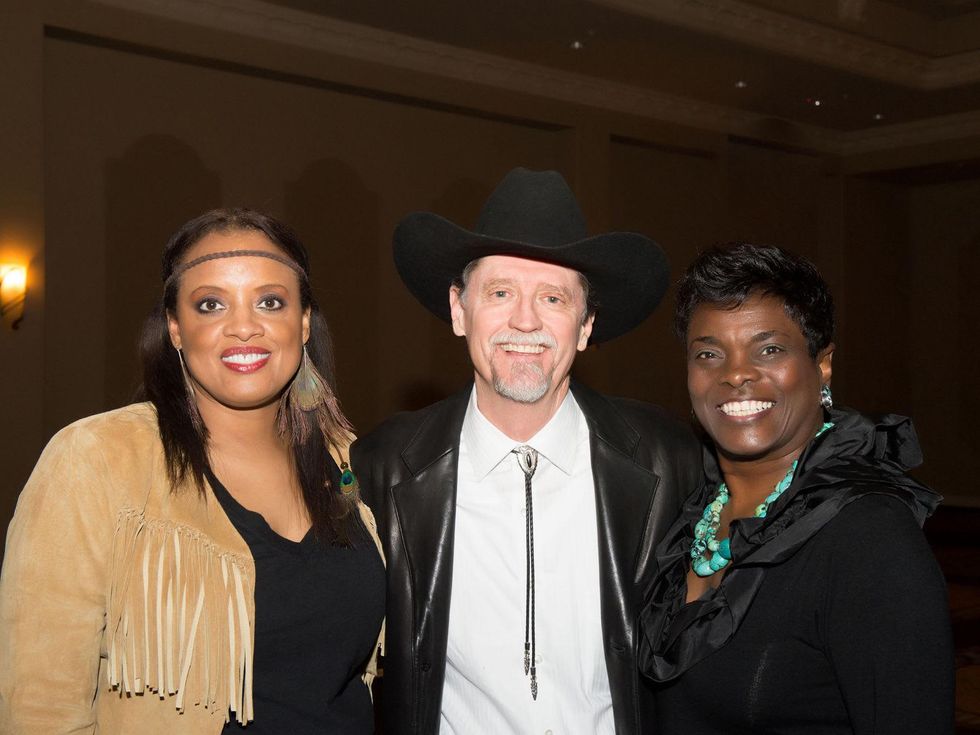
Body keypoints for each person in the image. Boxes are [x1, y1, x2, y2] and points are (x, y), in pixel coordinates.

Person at [0, 209, 385, 734]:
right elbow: (40, 709)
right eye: (211, 304)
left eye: (270, 302)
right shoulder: (95, 459)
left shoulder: (345, 458)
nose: (244, 326)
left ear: (302, 321)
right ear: (176, 328)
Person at [352, 168, 702, 735]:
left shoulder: (668, 462)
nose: (525, 320)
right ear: (459, 310)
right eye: (499, 292)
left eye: (553, 297)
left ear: (585, 325)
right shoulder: (381, 468)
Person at [639, 243, 955, 734]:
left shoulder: (868, 535)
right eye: (708, 353)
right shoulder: (686, 514)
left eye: (769, 349)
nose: (736, 373)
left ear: (822, 365)